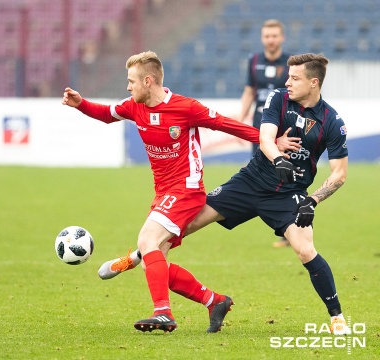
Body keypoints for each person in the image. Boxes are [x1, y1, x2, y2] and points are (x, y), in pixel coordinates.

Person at [99, 53, 352, 335]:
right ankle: (141, 257)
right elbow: (266, 137)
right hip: (250, 182)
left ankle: (337, 317)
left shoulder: (332, 122)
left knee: (305, 250)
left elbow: (339, 174)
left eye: (295, 78)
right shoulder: (279, 98)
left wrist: (312, 200)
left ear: (314, 82)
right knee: (178, 228)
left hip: (288, 194)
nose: (287, 81)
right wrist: (278, 159)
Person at [62, 51, 266, 333]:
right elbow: (107, 114)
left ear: (148, 81)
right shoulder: (135, 107)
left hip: (187, 188)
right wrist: (80, 104)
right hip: (163, 193)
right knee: (152, 264)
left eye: (131, 81)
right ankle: (215, 301)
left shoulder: (185, 107)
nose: (128, 86)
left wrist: (267, 140)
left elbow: (225, 124)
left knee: (147, 240)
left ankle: (163, 313)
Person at [238, 19, 291, 248]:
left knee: (284, 173)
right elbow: (250, 91)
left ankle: (289, 228)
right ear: (262, 38)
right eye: (267, 36)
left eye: (274, 35)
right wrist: (240, 121)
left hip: (283, 127)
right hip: (258, 127)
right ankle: (267, 216)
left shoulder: (291, 63)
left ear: (281, 38)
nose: (271, 39)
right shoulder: (254, 60)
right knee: (260, 171)